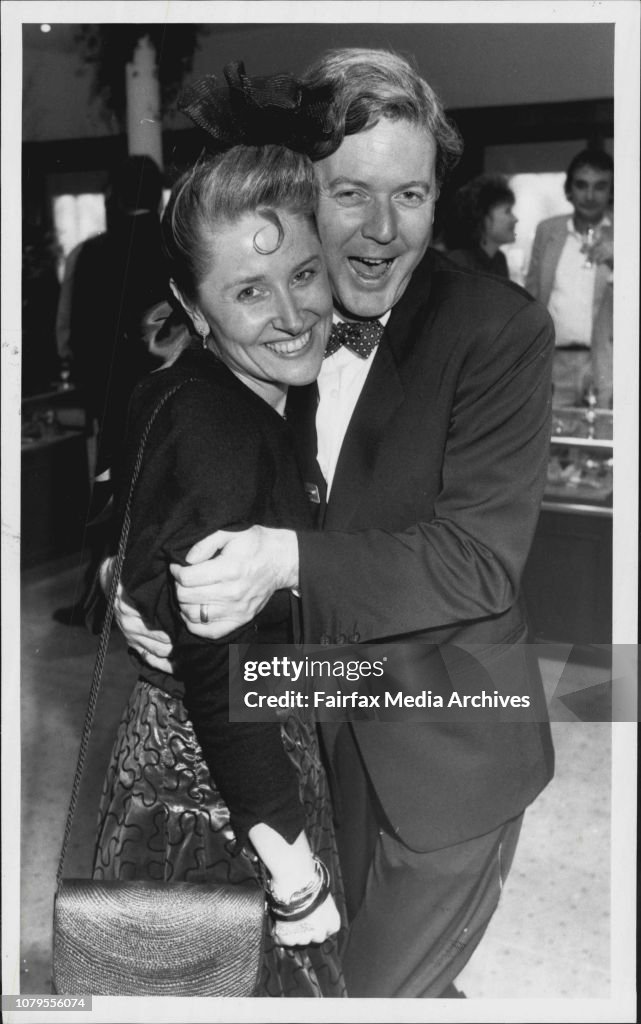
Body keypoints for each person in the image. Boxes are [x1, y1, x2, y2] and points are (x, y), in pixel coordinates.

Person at [113, 49, 555, 999]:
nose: (381, 231)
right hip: (311, 726)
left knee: (367, 995)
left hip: (446, 745)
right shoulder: (282, 321)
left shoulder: (495, 331)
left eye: (412, 194)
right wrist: (130, 582)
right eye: (349, 193)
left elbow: (479, 564)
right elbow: (181, 476)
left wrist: (280, 560)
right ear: (298, 192)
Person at [93, 129, 347, 997]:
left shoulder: (173, 386)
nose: (290, 313)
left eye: (303, 274)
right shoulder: (223, 426)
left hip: (170, 756)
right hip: (223, 786)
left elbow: (122, 511)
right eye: (248, 291)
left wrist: (114, 577)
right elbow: (215, 663)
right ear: (193, 307)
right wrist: (294, 872)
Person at [54, 156, 171, 627]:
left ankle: (100, 604)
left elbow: (74, 334)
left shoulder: (93, 253)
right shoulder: (176, 245)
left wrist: (91, 390)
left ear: (116, 197)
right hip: (171, 393)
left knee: (112, 497)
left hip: (115, 397)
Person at [525, 147, 614, 407]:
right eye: (581, 185)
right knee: (553, 444)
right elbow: (531, 297)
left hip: (604, 364)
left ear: (610, 192)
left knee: (598, 444)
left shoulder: (626, 232)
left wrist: (620, 261)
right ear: (569, 189)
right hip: (552, 362)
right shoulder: (548, 231)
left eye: (600, 186)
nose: (589, 195)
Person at [444, 173, 517, 278]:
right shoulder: (458, 263)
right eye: (507, 211)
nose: (515, 219)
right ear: (483, 217)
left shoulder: (499, 260)